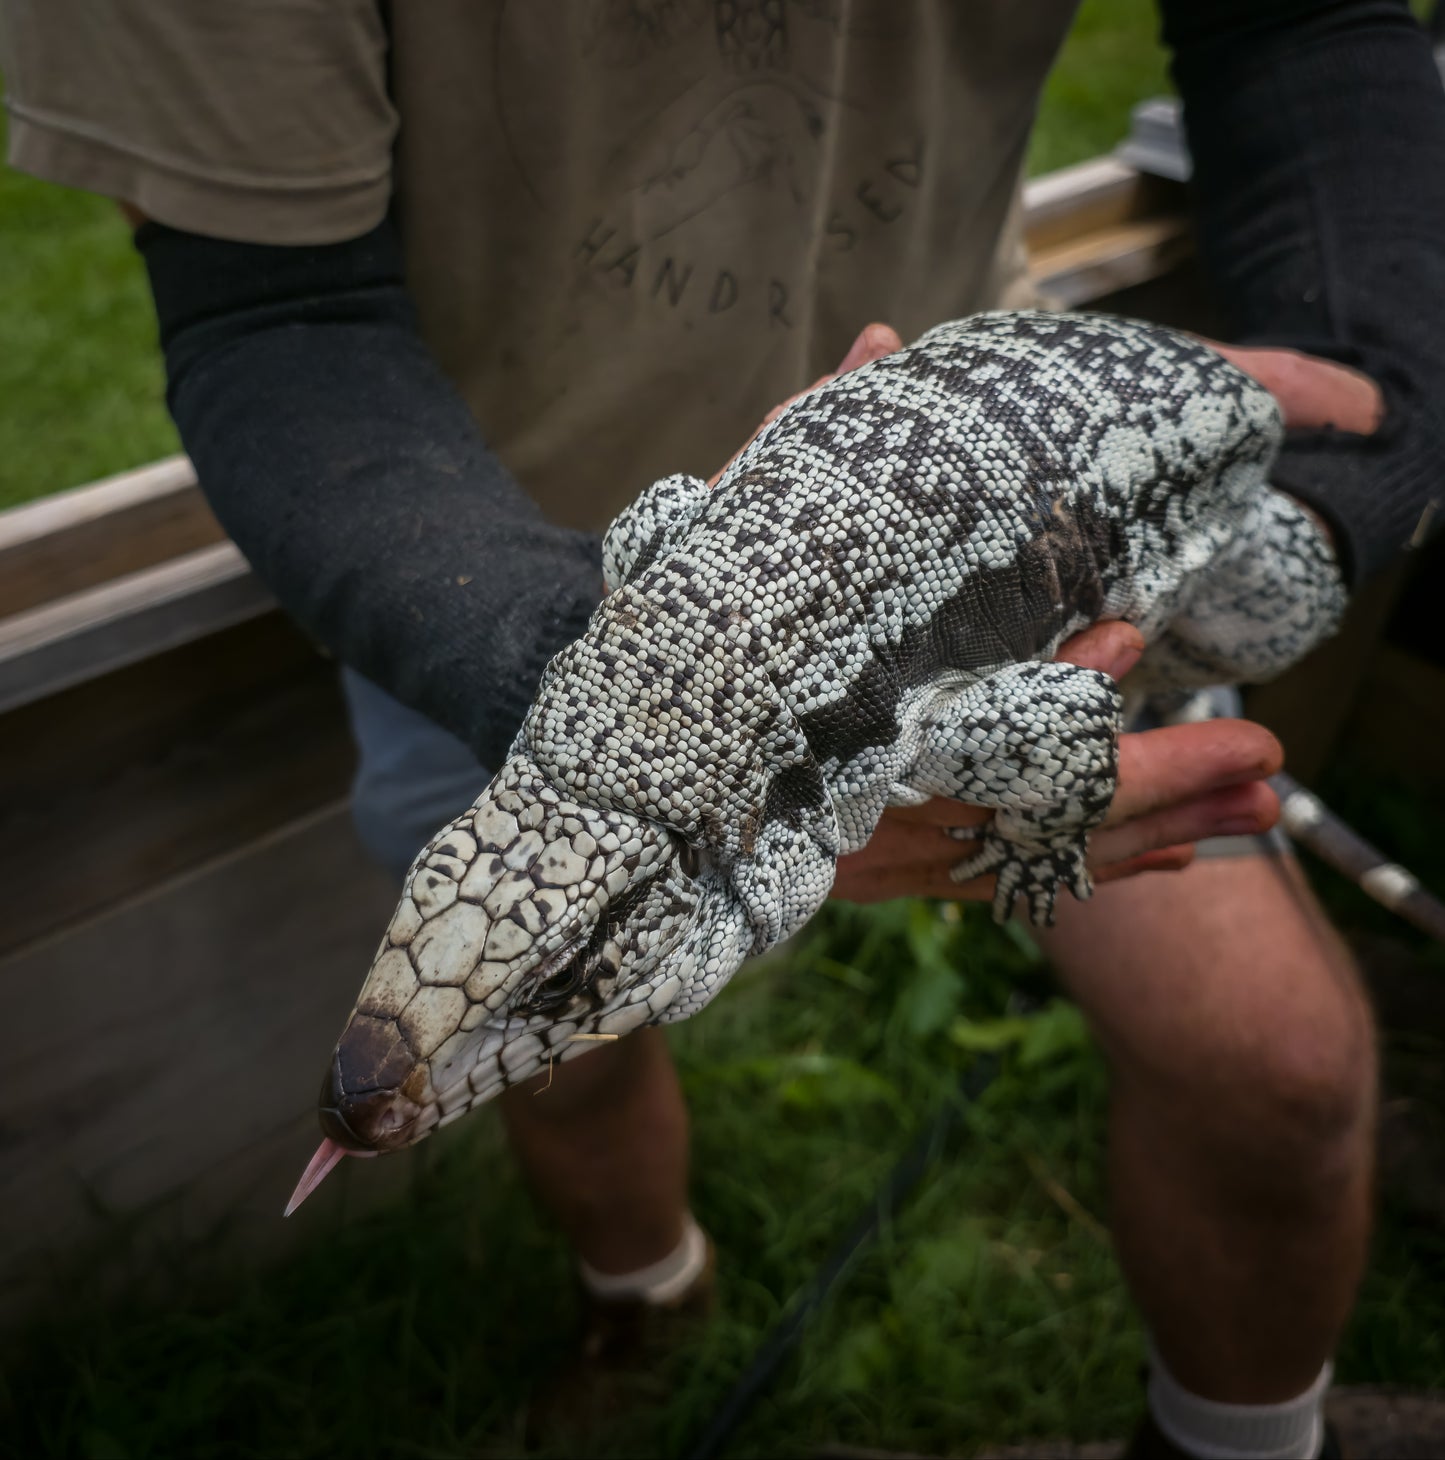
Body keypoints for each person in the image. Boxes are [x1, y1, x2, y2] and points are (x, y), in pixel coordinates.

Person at [3, 2, 1440, 1455]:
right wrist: (543, 652)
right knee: (563, 1054)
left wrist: (1376, 418)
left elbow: (1063, 704)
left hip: (1077, 522)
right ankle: (645, 1299)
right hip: (469, 574)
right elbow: (281, 321)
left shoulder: (937, 733)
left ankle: (1240, 1442)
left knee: (1283, 1069)